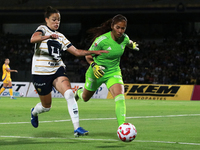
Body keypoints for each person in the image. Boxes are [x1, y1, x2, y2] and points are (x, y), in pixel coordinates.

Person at [30, 6, 108, 137]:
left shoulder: (61, 37)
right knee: (46, 107)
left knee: (70, 94)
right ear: (46, 20)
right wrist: (48, 36)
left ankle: (77, 129)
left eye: (59, 20)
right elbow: (33, 39)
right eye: (54, 20)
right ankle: (34, 112)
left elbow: (77, 52)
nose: (56, 22)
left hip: (56, 69)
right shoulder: (42, 29)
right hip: (40, 73)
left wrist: (93, 52)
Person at [75, 14, 139, 127]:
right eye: (117, 27)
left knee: (120, 96)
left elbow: (128, 42)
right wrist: (94, 66)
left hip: (113, 72)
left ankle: (122, 126)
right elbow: (88, 56)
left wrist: (132, 45)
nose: (120, 31)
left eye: (123, 28)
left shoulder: (125, 38)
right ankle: (78, 92)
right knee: (85, 98)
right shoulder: (101, 41)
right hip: (96, 72)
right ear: (112, 26)